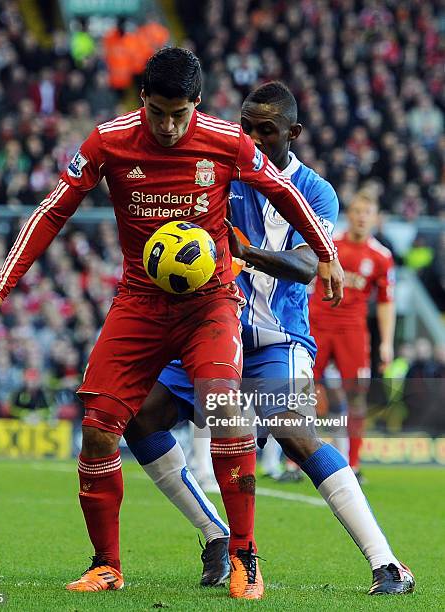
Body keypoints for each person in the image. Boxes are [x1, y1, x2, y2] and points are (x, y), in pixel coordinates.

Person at [0, 49, 342, 601]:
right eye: (158, 113)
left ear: (197, 105)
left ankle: (244, 556)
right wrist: (0, 282)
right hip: (140, 301)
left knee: (224, 407)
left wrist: (325, 253)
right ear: (143, 101)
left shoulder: (225, 141)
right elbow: (52, 209)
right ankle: (107, 564)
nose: (167, 126)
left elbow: (286, 191)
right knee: (98, 426)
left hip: (210, 302)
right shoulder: (108, 140)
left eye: (179, 114)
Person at [124, 81, 415, 596]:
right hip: (212, 329)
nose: (254, 138)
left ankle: (387, 564)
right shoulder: (218, 174)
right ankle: (216, 536)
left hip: (278, 338)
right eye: (247, 127)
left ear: (292, 133)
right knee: (141, 414)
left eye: (267, 130)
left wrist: (245, 253)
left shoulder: (316, 191)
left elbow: (307, 266)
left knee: (294, 432)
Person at [309, 190, 396, 479]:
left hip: (353, 332)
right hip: (317, 324)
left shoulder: (381, 257)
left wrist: (386, 343)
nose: (361, 217)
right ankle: (295, 462)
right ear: (349, 214)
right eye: (357, 211)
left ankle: (354, 463)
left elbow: (386, 302)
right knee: (302, 392)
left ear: (375, 218)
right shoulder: (329, 246)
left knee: (357, 395)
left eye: (366, 213)